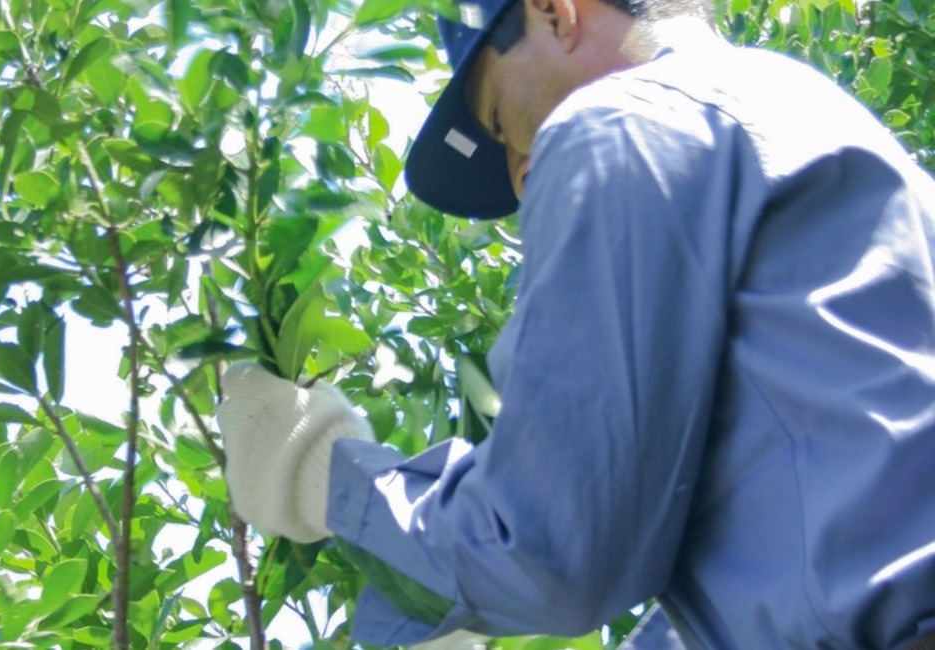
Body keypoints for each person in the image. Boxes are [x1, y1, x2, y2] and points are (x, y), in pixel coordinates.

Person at [218, 0, 935, 647]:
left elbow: (550, 553)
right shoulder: (817, 119)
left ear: (556, 13)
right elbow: (770, 565)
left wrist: (322, 476)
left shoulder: (623, 121)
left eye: (504, 122)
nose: (520, 174)